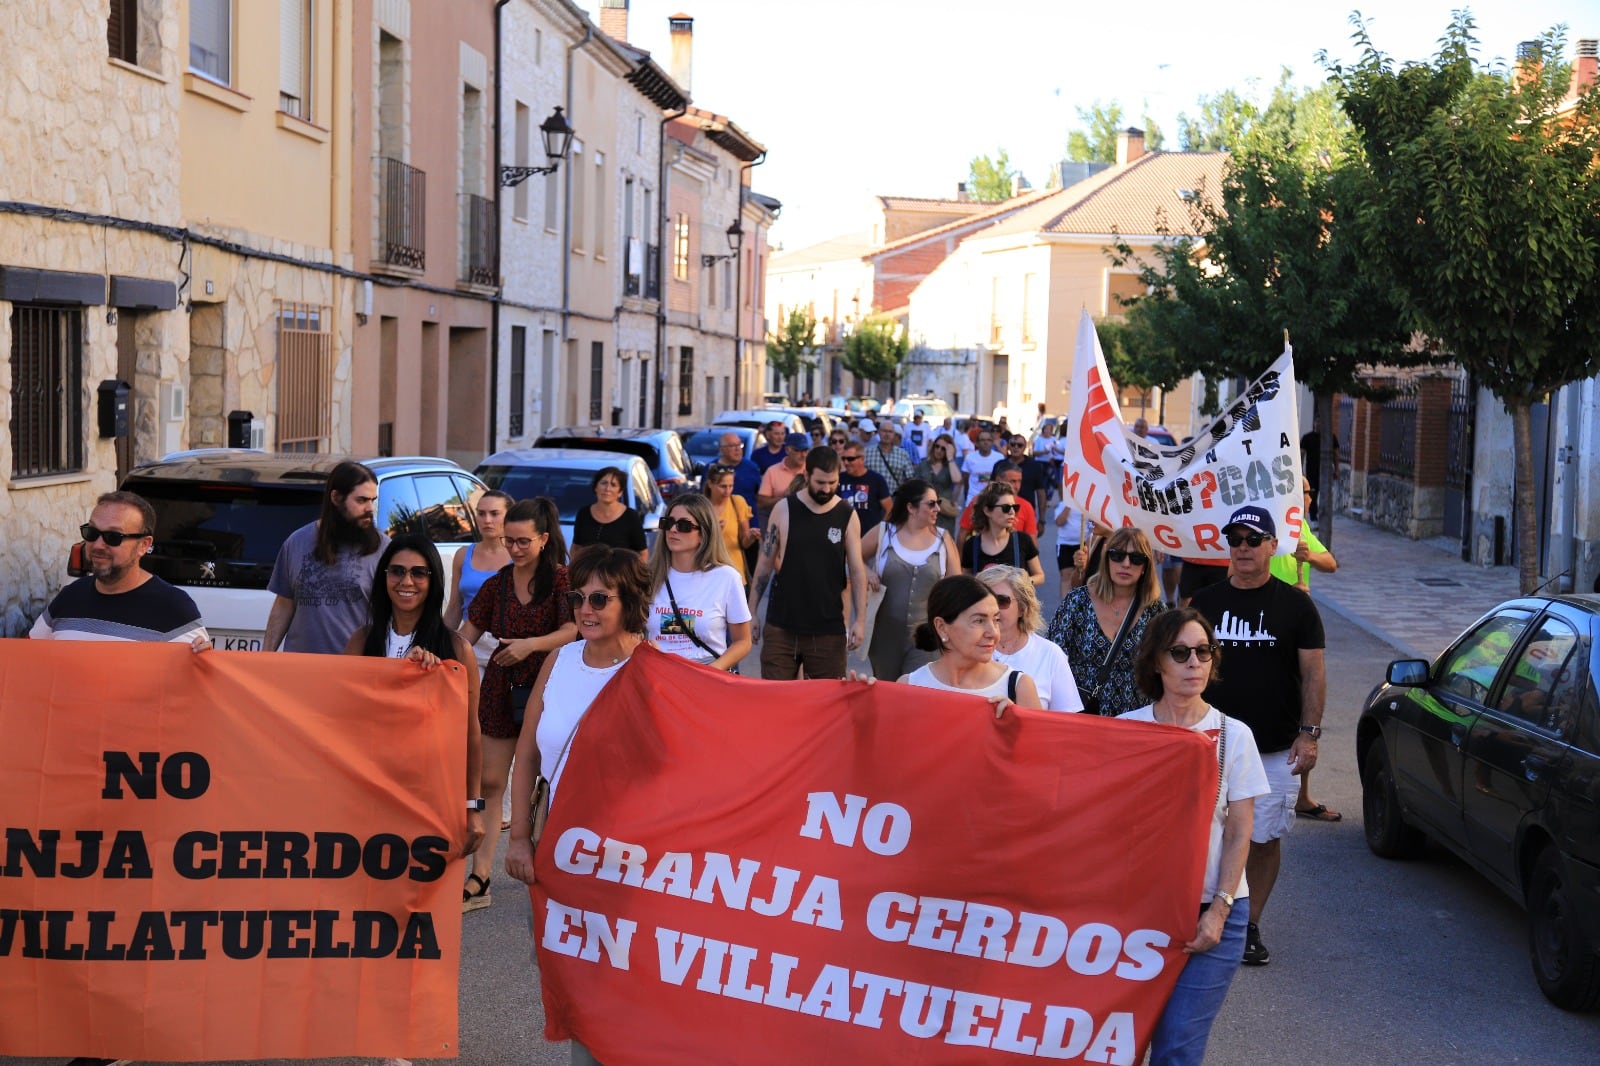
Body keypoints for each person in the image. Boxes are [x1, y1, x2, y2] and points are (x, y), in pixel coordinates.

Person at [1120, 608, 1268, 1065]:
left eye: (1204, 652)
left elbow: (1241, 829)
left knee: (1178, 1047)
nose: (1194, 663)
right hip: (1137, 912)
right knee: (1120, 1041)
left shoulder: (1234, 735)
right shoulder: (1127, 730)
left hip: (1213, 907)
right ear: (1156, 663)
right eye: (1180, 652)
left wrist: (1220, 911)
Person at [1189, 506, 1326, 968]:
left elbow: (1313, 675)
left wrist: (1309, 736)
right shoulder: (1203, 603)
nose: (1243, 547)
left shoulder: (1297, 605)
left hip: (1272, 747)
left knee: (1263, 839)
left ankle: (1247, 924)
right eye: (1236, 539)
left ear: (1272, 545)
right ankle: (1201, 909)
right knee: (1201, 834)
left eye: (1253, 539)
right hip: (1206, 744)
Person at [457, 498, 577, 912]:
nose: (515, 548)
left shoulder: (562, 581)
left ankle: (554, 871)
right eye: (510, 540)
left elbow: (574, 628)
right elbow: (466, 634)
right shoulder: (498, 583)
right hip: (500, 690)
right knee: (490, 783)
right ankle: (480, 876)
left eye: (523, 541)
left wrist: (530, 645)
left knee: (552, 785)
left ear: (544, 539)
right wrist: (435, 656)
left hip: (549, 692)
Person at [504, 542, 651, 870]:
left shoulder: (654, 671)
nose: (585, 609)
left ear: (629, 601)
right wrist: (518, 838)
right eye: (577, 598)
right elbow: (527, 754)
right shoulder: (559, 660)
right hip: (556, 845)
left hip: (629, 855)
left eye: (599, 599)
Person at [343, 533, 486, 862]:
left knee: (419, 900)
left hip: (429, 796)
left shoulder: (456, 649)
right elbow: (342, 717)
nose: (407, 581)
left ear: (433, 580)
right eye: (397, 571)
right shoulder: (362, 642)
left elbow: (470, 734)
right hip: (367, 791)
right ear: (384, 578)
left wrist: (472, 807)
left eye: (418, 573)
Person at [30, 491, 209, 649]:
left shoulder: (174, 608)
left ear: (143, 545)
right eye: (92, 533)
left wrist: (202, 658)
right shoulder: (69, 597)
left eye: (113, 537)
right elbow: (29, 656)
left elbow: (197, 678)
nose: (98, 545)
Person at [749, 446, 868, 680]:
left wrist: (860, 621)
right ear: (806, 476)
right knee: (775, 702)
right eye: (820, 482)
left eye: (832, 483)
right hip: (782, 626)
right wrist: (751, 612)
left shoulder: (847, 514)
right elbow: (764, 565)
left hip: (828, 629)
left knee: (826, 707)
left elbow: (857, 570)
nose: (826, 489)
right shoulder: (784, 509)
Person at [1271, 477, 1341, 823]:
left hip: (1299, 626)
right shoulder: (1271, 525)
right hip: (1267, 624)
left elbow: (1330, 563)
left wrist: (1308, 555)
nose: (1308, 498)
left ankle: (1302, 794)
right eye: (1302, 492)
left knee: (1305, 707)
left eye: (1310, 492)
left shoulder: (1300, 528)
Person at [264, 460, 387, 654]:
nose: (370, 508)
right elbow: (284, 604)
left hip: (354, 672)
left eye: (373, 500)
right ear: (336, 498)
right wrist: (266, 655)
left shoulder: (384, 549)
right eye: (362, 500)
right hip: (301, 672)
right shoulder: (296, 543)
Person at [1047, 526, 1165, 717]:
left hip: (1135, 719)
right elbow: (1051, 658)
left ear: (1145, 567)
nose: (1126, 564)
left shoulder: (1156, 611)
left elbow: (1165, 669)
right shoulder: (1078, 601)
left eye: (1136, 559)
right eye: (1117, 555)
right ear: (1107, 559)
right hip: (1080, 715)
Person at [861, 479, 959, 681]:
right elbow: (851, 558)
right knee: (886, 690)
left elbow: (957, 586)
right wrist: (866, 572)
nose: (937, 509)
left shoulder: (943, 539)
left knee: (917, 690)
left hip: (926, 635)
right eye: (931, 504)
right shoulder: (884, 533)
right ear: (911, 508)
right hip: (884, 636)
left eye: (937, 502)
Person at [898, 573, 1039, 712]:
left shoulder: (1018, 688)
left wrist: (1017, 726)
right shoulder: (909, 686)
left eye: (995, 620)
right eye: (979, 621)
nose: (993, 633)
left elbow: (1044, 735)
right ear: (942, 627)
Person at [645, 493, 752, 671]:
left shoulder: (727, 578)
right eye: (668, 523)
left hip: (707, 677)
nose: (673, 530)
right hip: (659, 676)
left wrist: (712, 671)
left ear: (703, 534)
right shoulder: (649, 576)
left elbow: (743, 641)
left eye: (684, 526)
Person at [978, 565, 1083, 712]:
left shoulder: (1050, 654)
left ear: (1022, 608)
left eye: (1001, 601)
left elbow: (1068, 722)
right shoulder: (968, 650)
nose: (992, 609)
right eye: (983, 601)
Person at [445, 489, 514, 667]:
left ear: (509, 516)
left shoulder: (518, 555)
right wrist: (441, 644)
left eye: (494, 514)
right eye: (481, 514)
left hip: (504, 641)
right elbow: (454, 607)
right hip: (470, 638)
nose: (487, 520)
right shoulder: (463, 554)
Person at [960, 481, 1044, 587]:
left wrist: (1022, 583)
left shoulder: (1023, 540)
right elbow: (967, 577)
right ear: (987, 511)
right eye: (1006, 508)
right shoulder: (971, 545)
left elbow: (1039, 575)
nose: (1012, 512)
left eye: (1015, 507)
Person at [572, 466, 646, 558]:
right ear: (595, 487)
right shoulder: (583, 514)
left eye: (613, 485)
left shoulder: (631, 516)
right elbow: (576, 548)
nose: (607, 488)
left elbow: (642, 554)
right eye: (603, 483)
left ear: (620, 492)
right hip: (586, 571)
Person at [705, 465, 759, 584]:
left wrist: (751, 536)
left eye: (731, 486)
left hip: (735, 573)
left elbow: (744, 543)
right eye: (723, 486)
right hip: (708, 575)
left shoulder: (737, 502)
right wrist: (713, 532)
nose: (727, 491)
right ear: (710, 484)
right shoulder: (701, 508)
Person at [957, 462, 1038, 538]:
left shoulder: (1026, 506)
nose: (1017, 486)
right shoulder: (978, 502)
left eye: (1019, 481)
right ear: (999, 480)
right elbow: (963, 534)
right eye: (1012, 481)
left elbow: (1032, 541)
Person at [915, 434, 964, 535]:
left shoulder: (950, 466)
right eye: (937, 446)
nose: (939, 450)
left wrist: (950, 458)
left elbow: (957, 479)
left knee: (943, 544)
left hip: (944, 511)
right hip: (925, 510)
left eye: (943, 448)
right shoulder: (923, 465)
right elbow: (916, 486)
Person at [838, 443, 892, 534]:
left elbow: (889, 509)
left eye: (850, 459)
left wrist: (879, 531)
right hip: (844, 535)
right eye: (843, 459)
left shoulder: (876, 480)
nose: (846, 462)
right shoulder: (839, 479)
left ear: (862, 459)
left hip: (868, 536)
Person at [757, 433, 809, 518]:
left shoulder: (812, 470)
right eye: (797, 450)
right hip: (780, 521)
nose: (803, 455)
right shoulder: (772, 472)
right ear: (787, 450)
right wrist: (785, 498)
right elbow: (762, 503)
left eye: (805, 450)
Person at [715, 431, 761, 514]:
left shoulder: (752, 468)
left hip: (749, 520)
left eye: (739, 445)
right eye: (732, 446)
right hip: (721, 520)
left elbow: (760, 496)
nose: (737, 449)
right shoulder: (711, 469)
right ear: (721, 449)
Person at [1006, 435, 1050, 517]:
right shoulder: (1000, 465)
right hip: (1003, 513)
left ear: (1025, 447)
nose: (1016, 447)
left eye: (1019, 445)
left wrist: (1042, 519)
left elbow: (1041, 493)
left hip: (1027, 514)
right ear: (1008, 446)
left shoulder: (1034, 466)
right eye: (1012, 444)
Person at [864, 420, 913, 493]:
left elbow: (909, 479)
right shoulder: (867, 452)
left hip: (894, 498)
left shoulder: (903, 454)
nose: (887, 434)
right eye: (884, 431)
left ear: (894, 434)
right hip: (871, 497)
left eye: (890, 432)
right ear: (879, 432)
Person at [960, 427, 1003, 504]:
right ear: (977, 443)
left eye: (988, 440)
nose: (985, 442)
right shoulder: (970, 457)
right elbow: (966, 477)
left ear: (992, 442)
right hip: (973, 499)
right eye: (982, 440)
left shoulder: (999, 458)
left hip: (992, 500)